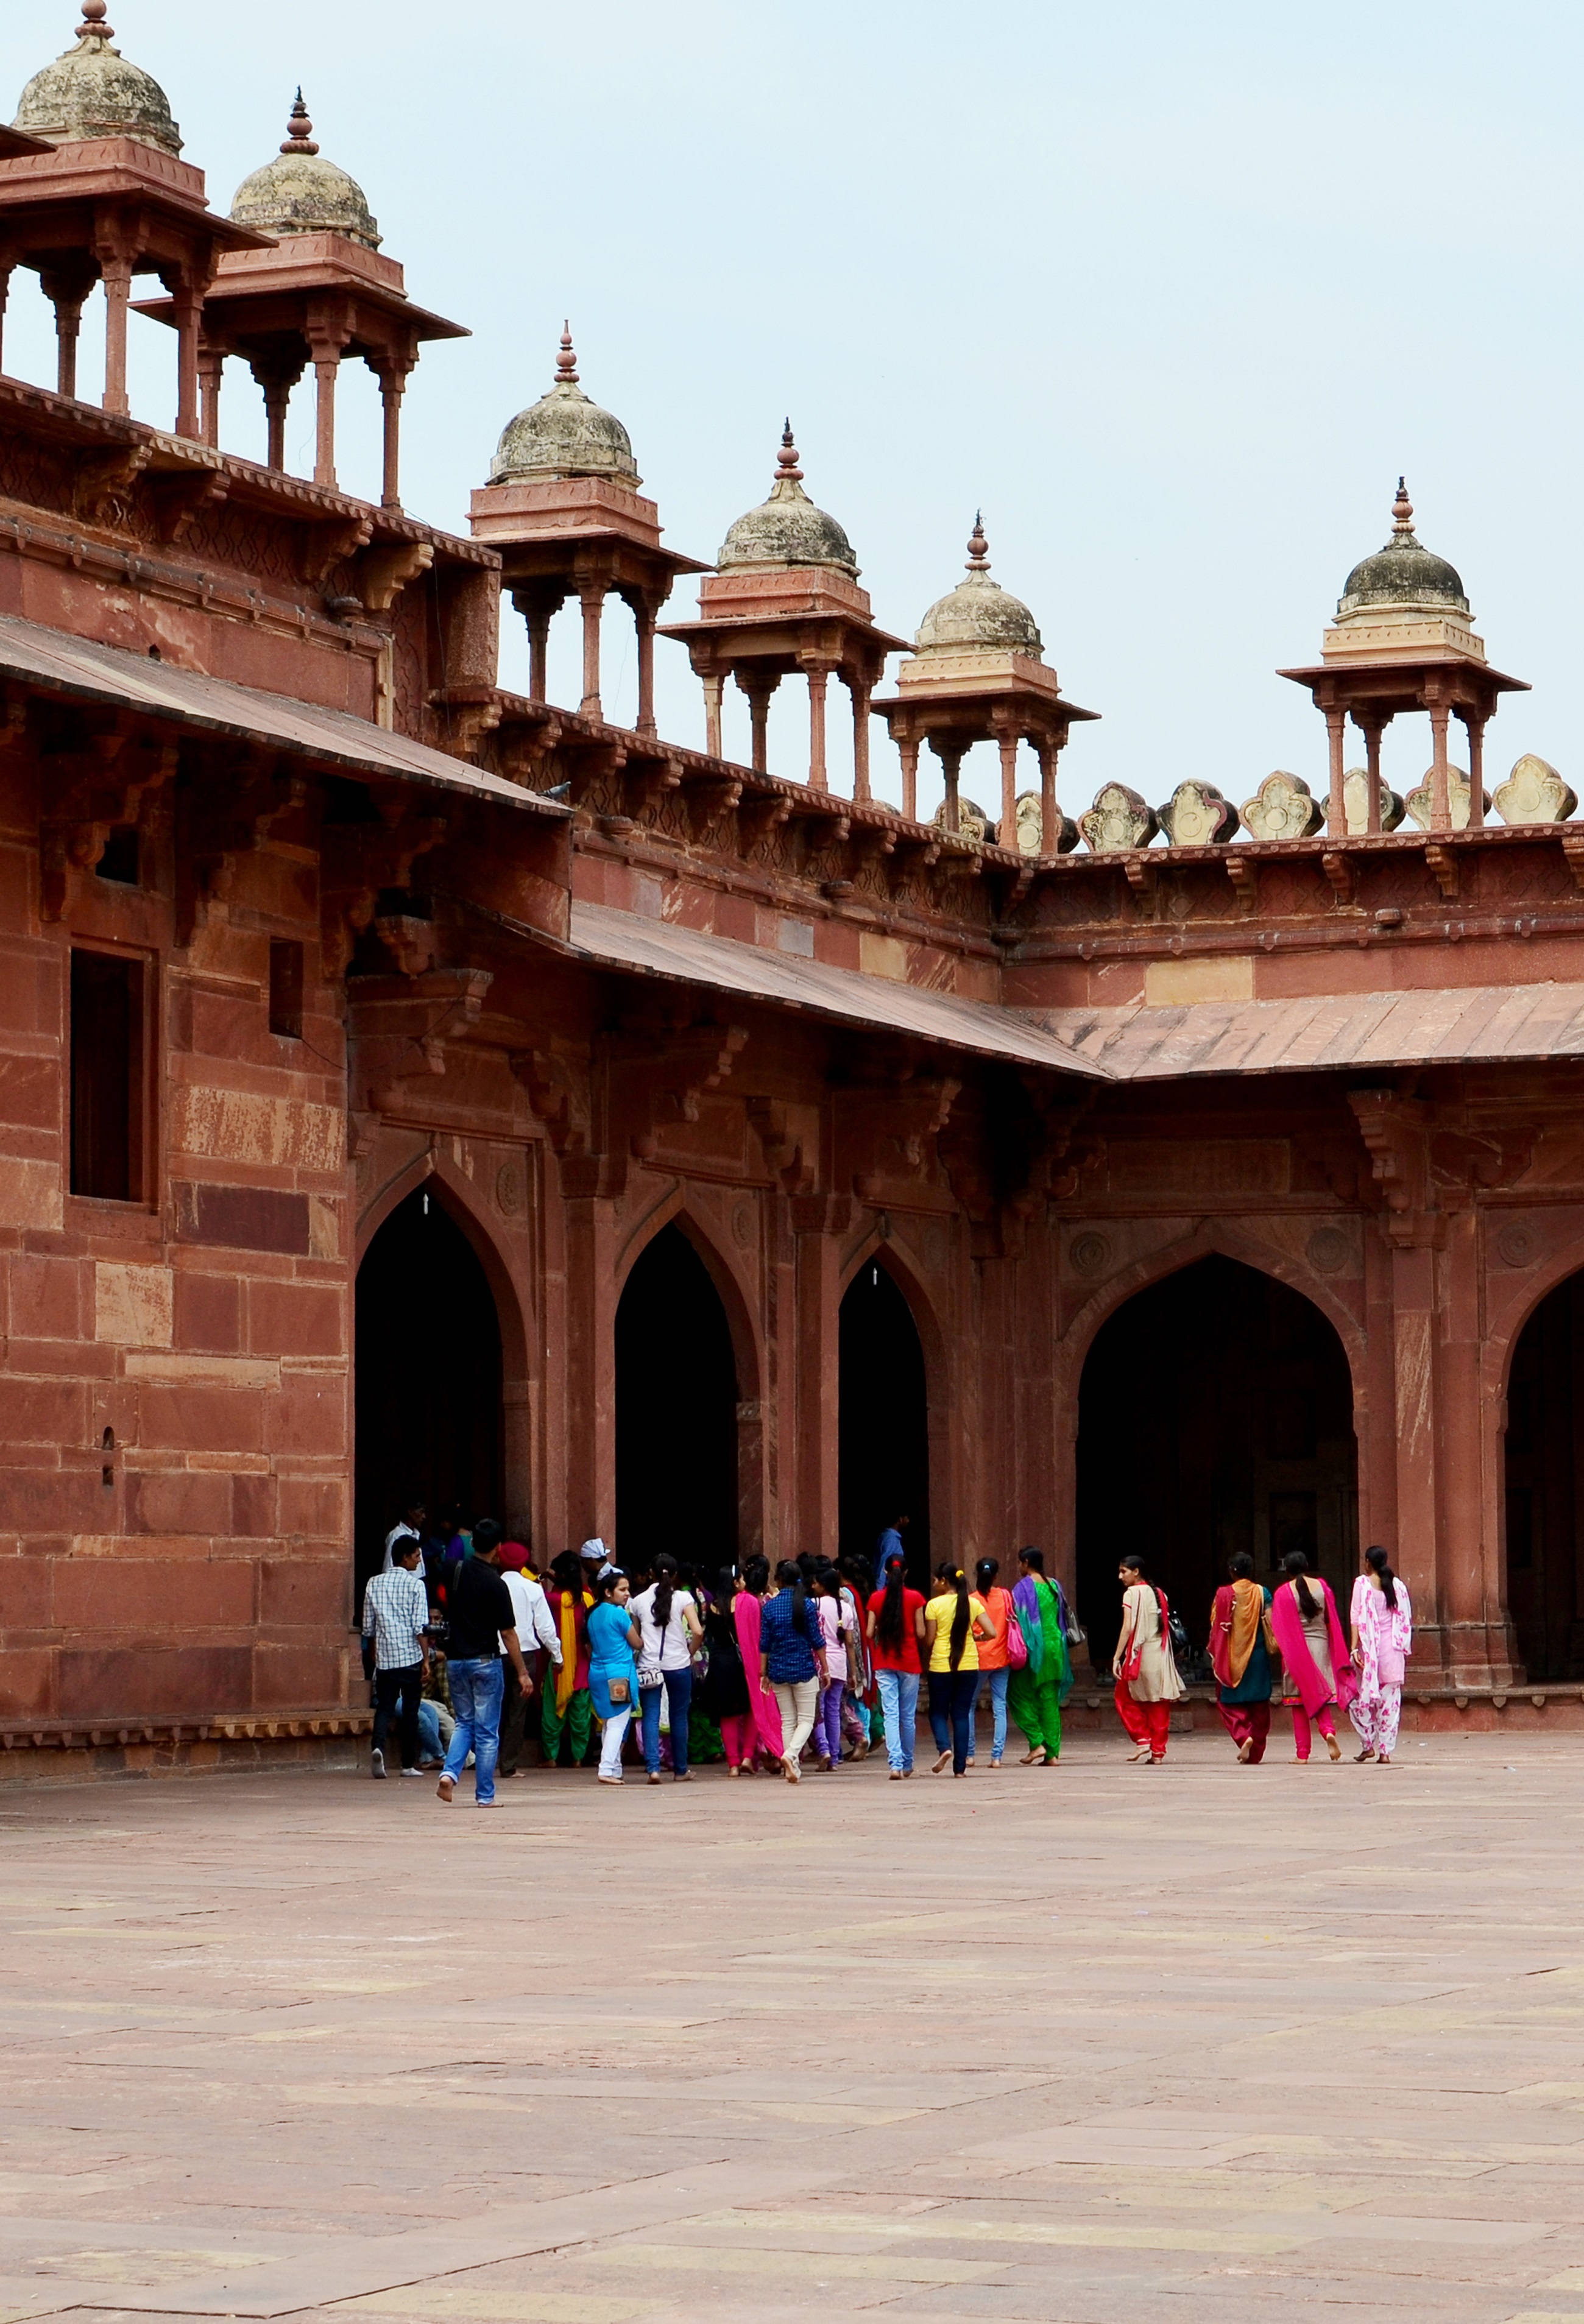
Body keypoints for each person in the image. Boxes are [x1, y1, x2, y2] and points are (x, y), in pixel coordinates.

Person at [436, 1518, 529, 1806]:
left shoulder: (454, 1570)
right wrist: (523, 1672)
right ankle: (485, 1795)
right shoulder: (496, 1584)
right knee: (488, 1732)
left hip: (455, 1661)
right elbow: (508, 1633)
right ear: (499, 1548)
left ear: (473, 1542)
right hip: (486, 1661)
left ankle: (449, 1775)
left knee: (464, 1723)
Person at [1270, 1549, 1357, 1763]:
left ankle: (1303, 1754)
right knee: (1319, 1696)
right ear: (1307, 1566)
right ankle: (1328, 1730)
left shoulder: (1283, 1592)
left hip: (1296, 1651)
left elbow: (1278, 1628)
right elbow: (1330, 1619)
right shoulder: (1322, 1587)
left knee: (1298, 1703)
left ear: (1287, 1569)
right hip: (1320, 1647)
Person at [361, 1535, 430, 1777]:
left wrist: (373, 1650)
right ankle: (407, 1764)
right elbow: (420, 1626)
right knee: (411, 1711)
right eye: (417, 1556)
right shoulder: (416, 1586)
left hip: (386, 1658)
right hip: (410, 1657)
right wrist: (426, 1659)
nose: (419, 1561)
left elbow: (368, 1626)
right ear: (405, 1557)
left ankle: (378, 1747)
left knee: (385, 1708)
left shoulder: (373, 1583)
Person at [632, 1553, 703, 1784]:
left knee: (651, 1715)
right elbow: (698, 1631)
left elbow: (636, 1637)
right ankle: (681, 1770)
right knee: (679, 1716)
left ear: (651, 1573)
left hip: (649, 1665)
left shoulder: (638, 1601)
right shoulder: (683, 1598)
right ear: (674, 1575)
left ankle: (653, 1769)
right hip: (678, 1665)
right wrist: (689, 1652)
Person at [759, 1558, 829, 1782]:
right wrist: (825, 1669)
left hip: (778, 1669)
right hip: (803, 1669)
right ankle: (790, 1756)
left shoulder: (770, 1607)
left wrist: (763, 1673)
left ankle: (793, 1766)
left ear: (778, 1579)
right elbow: (817, 1641)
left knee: (788, 1720)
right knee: (806, 1720)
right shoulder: (807, 1605)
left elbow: (764, 1644)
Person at [1111, 1553, 1185, 1764]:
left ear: (1136, 1572)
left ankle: (1142, 1738)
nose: (1120, 1576)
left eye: (1123, 1571)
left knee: (1123, 1696)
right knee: (1158, 1703)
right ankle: (1158, 1753)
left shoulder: (1131, 1594)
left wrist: (1117, 1657)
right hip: (1160, 1657)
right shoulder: (1160, 1594)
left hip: (1140, 1656)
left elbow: (1128, 1628)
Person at [497, 1542, 560, 1776]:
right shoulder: (533, 1589)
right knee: (517, 1711)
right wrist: (558, 1654)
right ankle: (509, 1764)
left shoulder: (493, 1585)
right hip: (525, 1654)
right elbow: (545, 1628)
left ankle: (485, 1758)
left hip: (495, 1653)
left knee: (492, 1708)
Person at [923, 1562, 992, 1776]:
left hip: (942, 1664)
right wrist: (977, 1637)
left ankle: (944, 1748)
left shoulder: (934, 1605)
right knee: (961, 1714)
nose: (934, 1584)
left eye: (936, 1580)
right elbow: (992, 1632)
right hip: (969, 1663)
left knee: (937, 1712)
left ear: (944, 1581)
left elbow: (930, 1639)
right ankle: (960, 1769)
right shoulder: (972, 1603)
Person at [1008, 1547, 1074, 1767]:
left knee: (1016, 1694)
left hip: (1035, 1647)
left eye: (1019, 1563)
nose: (1018, 1567)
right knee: (1049, 1701)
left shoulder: (1023, 1587)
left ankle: (1037, 1741)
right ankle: (1052, 1754)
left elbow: (1018, 1618)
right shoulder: (1054, 1585)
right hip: (1056, 1646)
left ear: (1026, 1563)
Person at [1209, 1552, 1276, 1762]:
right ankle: (1255, 1753)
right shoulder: (1262, 1592)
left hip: (1232, 1658)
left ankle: (1243, 1736)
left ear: (1232, 1571)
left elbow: (1215, 1625)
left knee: (1228, 1704)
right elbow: (1272, 1624)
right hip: (1258, 1656)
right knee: (1259, 1708)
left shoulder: (1224, 1594)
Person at [1349, 1544, 1412, 1765]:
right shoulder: (1398, 1586)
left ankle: (1368, 1745)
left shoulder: (1362, 1584)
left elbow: (1355, 1618)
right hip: (1393, 1651)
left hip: (1371, 1650)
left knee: (1361, 1700)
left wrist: (1354, 1648)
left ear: (1368, 1562)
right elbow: (1405, 1618)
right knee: (1391, 1704)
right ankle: (1385, 1751)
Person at [866, 1552, 927, 1778]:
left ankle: (895, 1764)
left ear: (885, 1571)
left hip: (884, 1661)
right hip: (910, 1661)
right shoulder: (916, 1598)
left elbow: (869, 1632)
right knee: (907, 1716)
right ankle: (908, 1763)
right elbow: (921, 1632)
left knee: (890, 1714)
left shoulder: (875, 1599)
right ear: (906, 1573)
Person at [586, 1567, 641, 1784]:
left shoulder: (593, 1613)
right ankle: (607, 1768)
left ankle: (615, 1767)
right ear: (609, 1592)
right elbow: (637, 1642)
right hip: (619, 1675)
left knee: (610, 1721)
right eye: (622, 1589)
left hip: (598, 1673)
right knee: (619, 1723)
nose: (627, 1593)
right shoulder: (618, 1613)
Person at [541, 1550, 595, 1768]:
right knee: (581, 1716)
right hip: (584, 1663)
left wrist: (543, 1577)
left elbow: (532, 1589)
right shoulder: (588, 1598)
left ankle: (551, 1758)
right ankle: (578, 1759)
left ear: (560, 1576)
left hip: (559, 1663)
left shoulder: (553, 1599)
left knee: (551, 1714)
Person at [700, 1566, 755, 1775]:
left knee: (728, 1715)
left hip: (720, 1661)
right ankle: (748, 1757)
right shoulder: (743, 1602)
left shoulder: (712, 1606)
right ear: (734, 1582)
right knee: (751, 1709)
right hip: (742, 1660)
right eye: (741, 1579)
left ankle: (733, 1764)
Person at [735, 1557, 783, 1768]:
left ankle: (751, 1755)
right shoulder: (763, 1603)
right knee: (765, 1709)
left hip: (742, 1661)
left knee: (747, 1712)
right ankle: (774, 1751)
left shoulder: (739, 1601)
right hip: (760, 1662)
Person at [971, 1557, 1016, 1770]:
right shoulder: (1006, 1596)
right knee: (1000, 1707)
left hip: (978, 1659)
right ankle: (996, 1757)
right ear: (996, 1575)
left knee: (968, 1707)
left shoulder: (972, 1599)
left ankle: (969, 1755)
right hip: (1002, 1658)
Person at [811, 1566, 849, 1771]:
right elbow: (850, 1642)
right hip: (840, 1663)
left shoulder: (814, 1604)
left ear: (823, 1585)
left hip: (820, 1662)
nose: (813, 1586)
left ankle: (824, 1749)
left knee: (820, 1710)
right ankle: (834, 1758)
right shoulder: (846, 1608)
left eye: (816, 1582)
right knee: (834, 1710)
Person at [382, 1499, 426, 1573]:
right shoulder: (396, 1535)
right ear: (410, 1512)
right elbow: (388, 1568)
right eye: (421, 1512)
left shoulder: (416, 1534)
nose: (424, 1517)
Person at [874, 1511, 910, 1590]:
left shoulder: (888, 1536)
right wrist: (879, 1589)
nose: (908, 1521)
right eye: (907, 1518)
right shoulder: (891, 1539)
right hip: (889, 1588)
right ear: (900, 1519)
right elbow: (884, 1564)